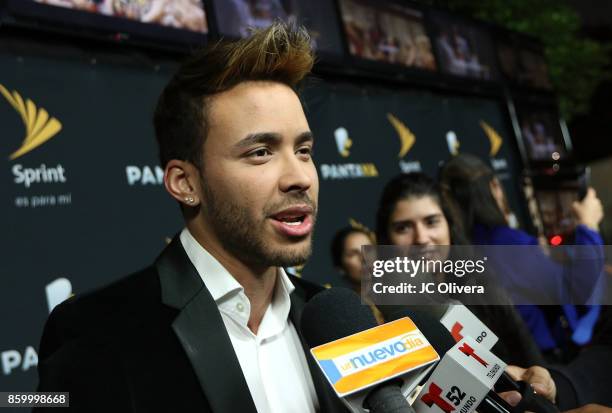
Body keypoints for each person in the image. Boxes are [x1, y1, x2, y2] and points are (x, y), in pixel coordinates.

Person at [34, 23, 347, 413]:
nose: (300, 177)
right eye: (260, 152)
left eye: (303, 150)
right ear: (185, 182)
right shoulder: (93, 332)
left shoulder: (337, 319)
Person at [438, 153, 604, 359]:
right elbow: (578, 288)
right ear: (493, 188)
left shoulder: (458, 253)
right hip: (546, 363)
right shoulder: (505, 242)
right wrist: (588, 227)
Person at [374, 172, 545, 367]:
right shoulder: (386, 314)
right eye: (404, 228)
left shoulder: (483, 284)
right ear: (386, 240)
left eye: (431, 222)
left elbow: (530, 358)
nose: (421, 238)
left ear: (449, 225)